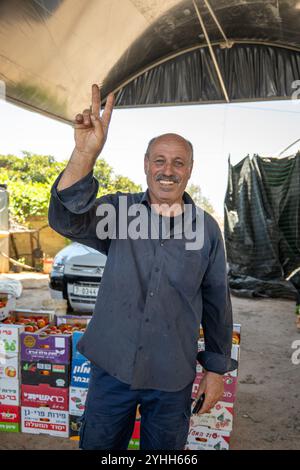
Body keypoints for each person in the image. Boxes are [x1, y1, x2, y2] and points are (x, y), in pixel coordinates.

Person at [48, 84, 237, 450]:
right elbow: (67, 220)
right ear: (146, 165)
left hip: (172, 375)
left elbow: (217, 305)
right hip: (111, 368)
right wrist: (84, 154)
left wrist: (215, 370)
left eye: (178, 162)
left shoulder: (207, 229)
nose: (168, 170)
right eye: (160, 160)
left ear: (190, 170)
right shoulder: (118, 213)